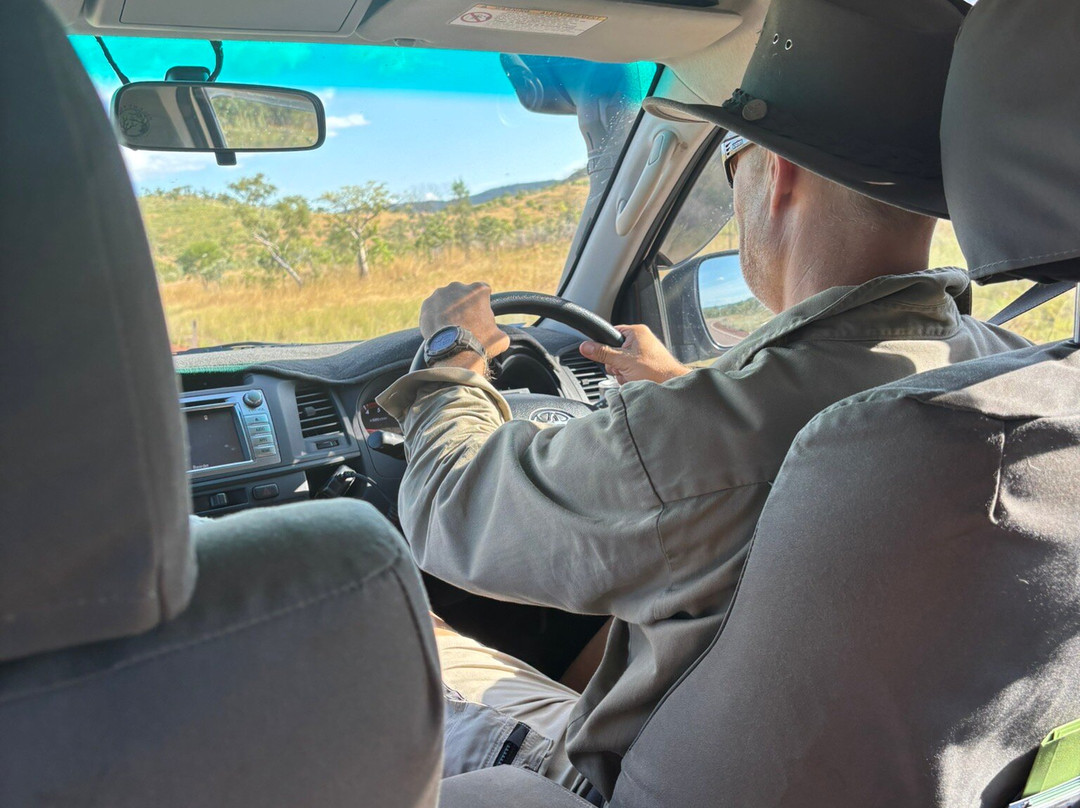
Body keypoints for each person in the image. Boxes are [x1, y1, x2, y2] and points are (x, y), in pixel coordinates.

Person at [376, 0, 1030, 800]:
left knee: (398, 633)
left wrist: (450, 357)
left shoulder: (708, 440)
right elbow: (785, 444)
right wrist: (690, 389)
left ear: (777, 174)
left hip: (632, 785)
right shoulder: (1017, 375)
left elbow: (448, 508)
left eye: (730, 161)